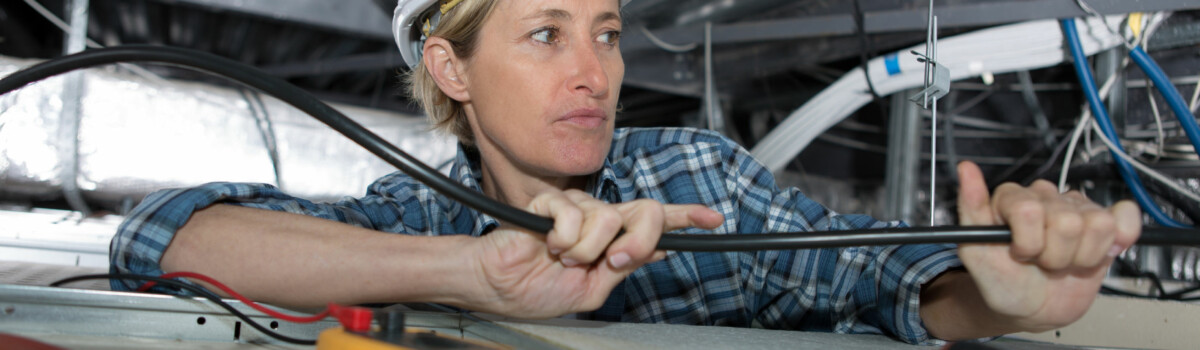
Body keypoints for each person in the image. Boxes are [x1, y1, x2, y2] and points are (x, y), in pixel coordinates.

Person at [109, 0, 1142, 345]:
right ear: (449, 66)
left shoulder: (690, 171)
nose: (593, 72)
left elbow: (870, 278)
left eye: (604, 32)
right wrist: (469, 272)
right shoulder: (410, 214)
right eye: (546, 34)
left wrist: (988, 301)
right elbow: (160, 235)